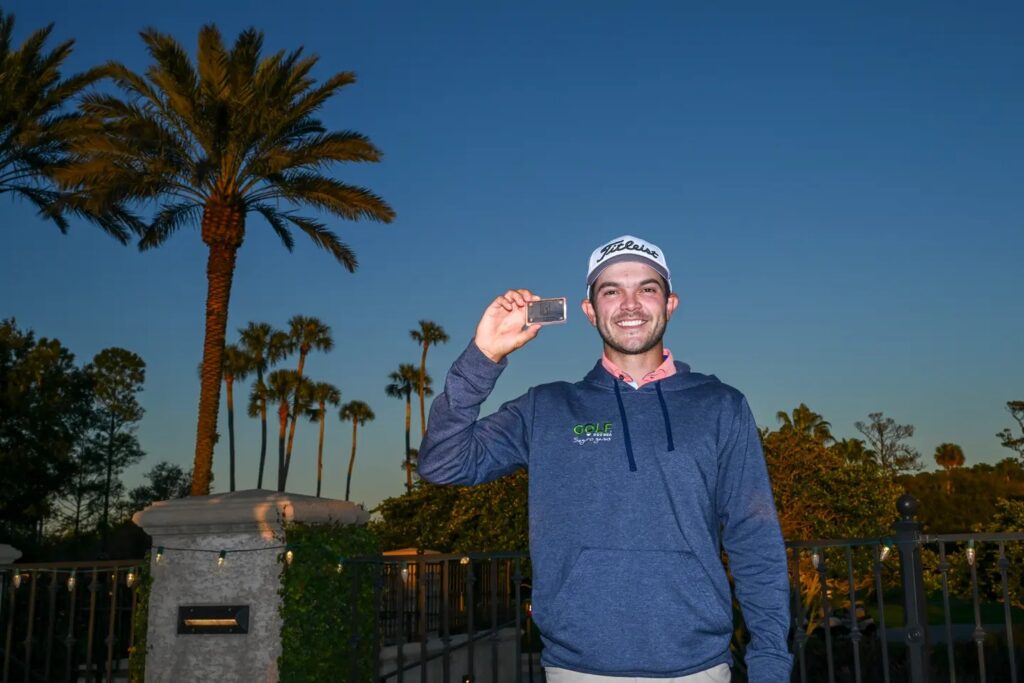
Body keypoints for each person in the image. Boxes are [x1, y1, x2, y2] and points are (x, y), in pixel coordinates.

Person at [418, 235, 792, 682]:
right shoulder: (548, 408)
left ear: (670, 304)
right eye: (611, 290)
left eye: (647, 289)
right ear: (590, 310)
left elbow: (755, 541)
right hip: (577, 670)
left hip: (698, 669)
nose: (630, 304)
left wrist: (770, 661)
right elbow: (442, 462)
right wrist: (483, 356)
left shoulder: (721, 405)